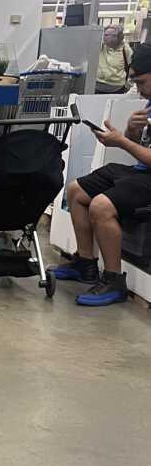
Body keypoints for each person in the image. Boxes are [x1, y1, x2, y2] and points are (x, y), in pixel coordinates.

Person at [52, 43, 151, 307]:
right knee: (75, 190)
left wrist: (121, 141)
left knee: (101, 206)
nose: (139, 90)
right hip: (140, 172)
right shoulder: (149, 104)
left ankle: (114, 279)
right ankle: (86, 263)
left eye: (142, 82)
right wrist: (130, 130)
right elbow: (139, 147)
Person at [95, 25, 132, 96]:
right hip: (98, 86)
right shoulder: (101, 46)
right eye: (104, 34)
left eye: (107, 35)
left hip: (117, 88)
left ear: (118, 37)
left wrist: (128, 85)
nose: (104, 37)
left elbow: (132, 68)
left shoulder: (126, 50)